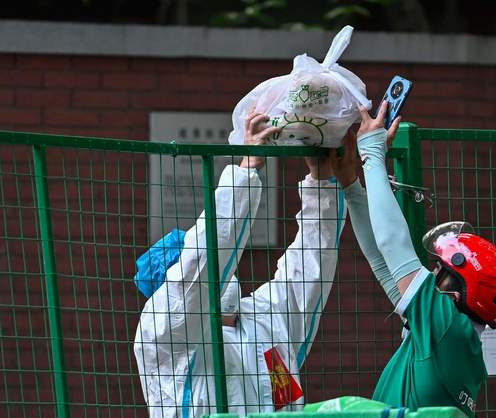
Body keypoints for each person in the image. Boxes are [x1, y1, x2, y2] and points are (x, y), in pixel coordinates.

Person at [134, 109, 347, 417]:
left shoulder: (264, 317)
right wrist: (246, 171)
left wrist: (321, 177)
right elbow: (205, 258)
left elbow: (312, 261)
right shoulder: (164, 329)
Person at [328, 101, 496, 417]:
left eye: (443, 273)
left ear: (461, 295)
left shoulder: (448, 328)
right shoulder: (454, 339)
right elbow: (384, 264)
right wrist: (352, 185)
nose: (433, 272)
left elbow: (394, 245)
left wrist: (372, 152)